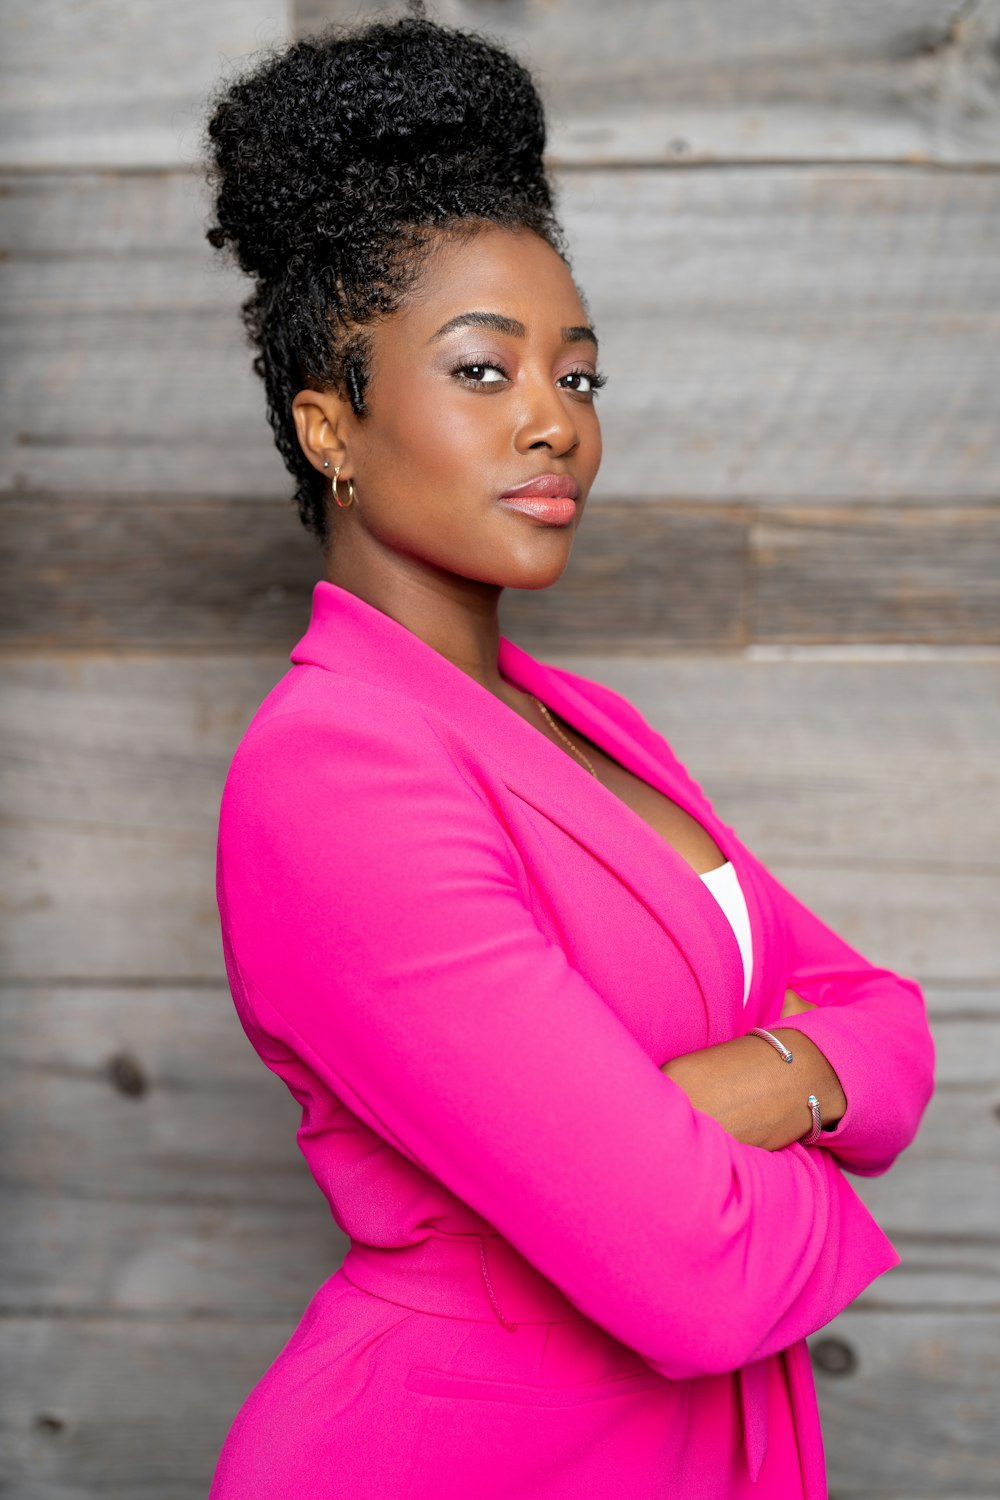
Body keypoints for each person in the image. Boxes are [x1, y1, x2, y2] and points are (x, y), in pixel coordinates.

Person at [200, 8, 935, 1497]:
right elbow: (698, 1278)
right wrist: (798, 1123)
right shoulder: (336, 769)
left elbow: (894, 1028)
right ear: (329, 423)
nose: (556, 425)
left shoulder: (588, 726)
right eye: (484, 373)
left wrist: (699, 1106)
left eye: (579, 377)